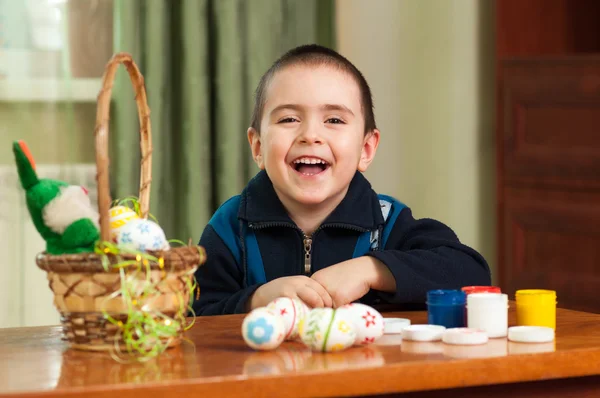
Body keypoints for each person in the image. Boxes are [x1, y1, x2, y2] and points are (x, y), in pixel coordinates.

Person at [192, 44, 491, 316]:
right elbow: (196, 315)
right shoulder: (230, 226)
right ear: (258, 147)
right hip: (263, 375)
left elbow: (471, 272)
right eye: (288, 119)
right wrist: (256, 299)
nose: (311, 135)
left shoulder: (387, 222)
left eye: (334, 120)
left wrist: (372, 270)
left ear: (366, 149)